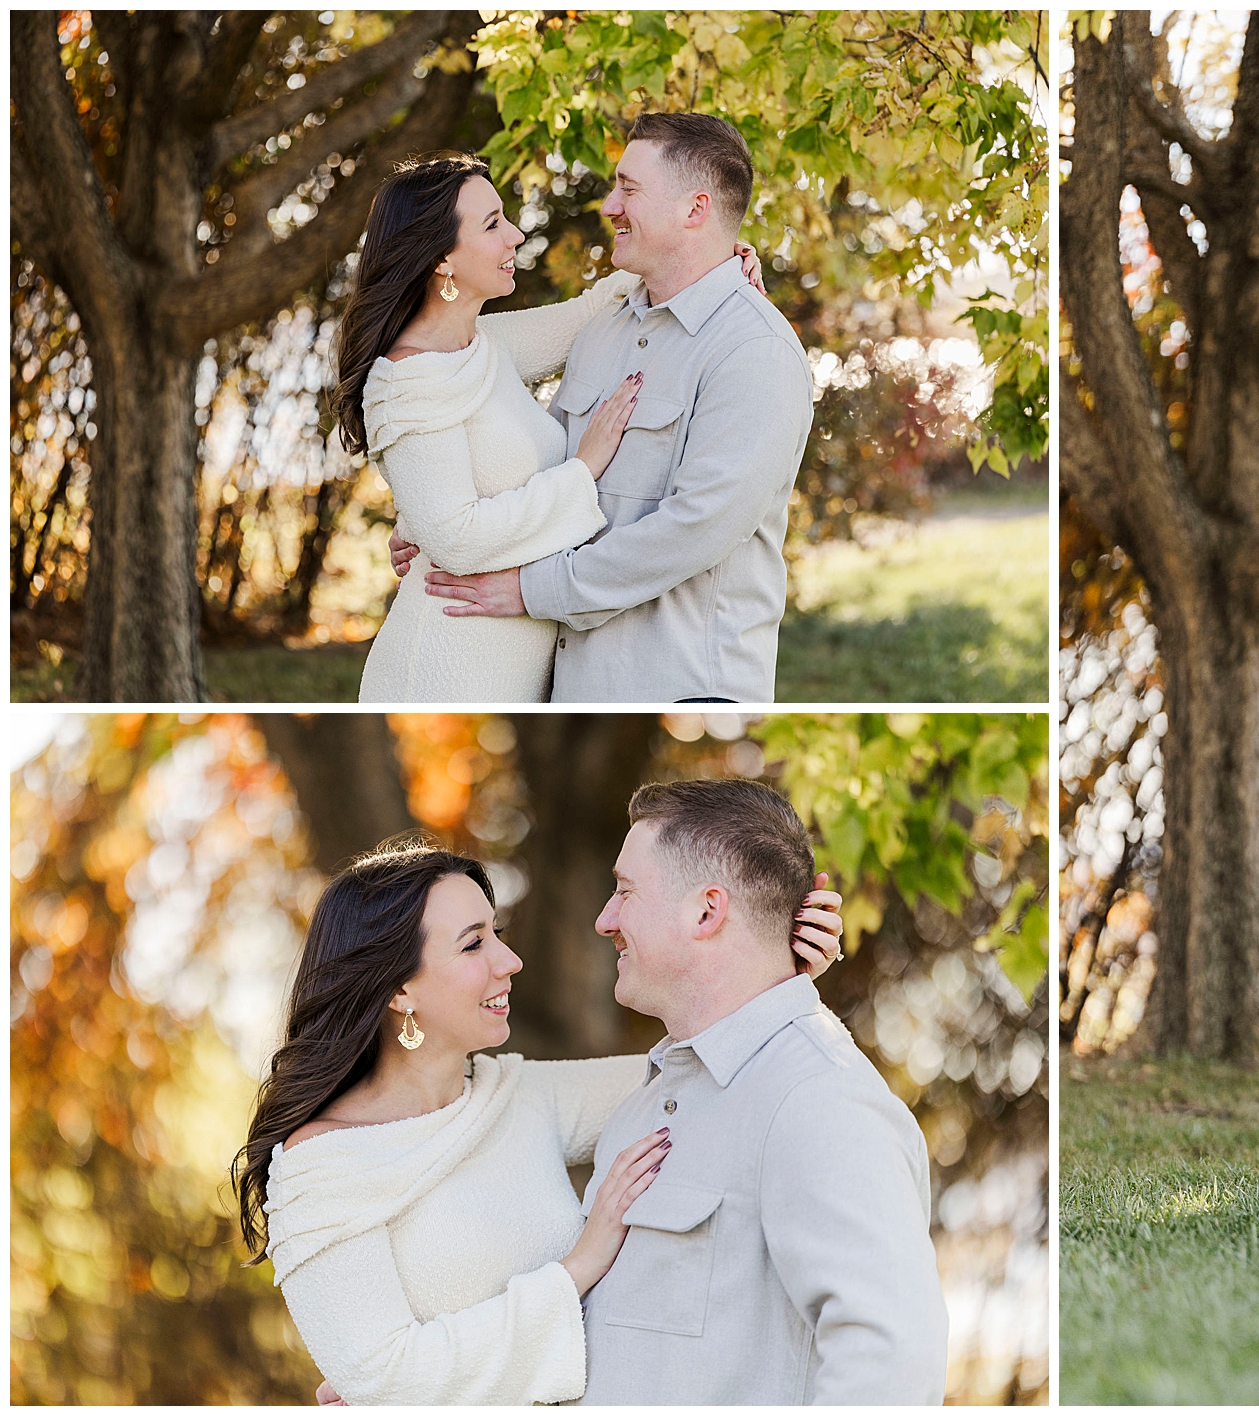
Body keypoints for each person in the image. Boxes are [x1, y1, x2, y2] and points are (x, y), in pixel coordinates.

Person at [232, 841, 843, 1405]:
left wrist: (774, 972)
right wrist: (577, 1266)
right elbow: (384, 1376)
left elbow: (700, 1072)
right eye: (473, 945)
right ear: (397, 990)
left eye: (495, 934)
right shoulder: (320, 1166)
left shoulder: (520, 1096)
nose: (510, 960)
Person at [402, 113, 815, 704]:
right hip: (571, 685)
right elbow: (481, 412)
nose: (609, 204)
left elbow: (697, 527)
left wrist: (533, 589)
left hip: (685, 688)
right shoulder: (603, 327)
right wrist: (430, 514)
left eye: (630, 188)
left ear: (695, 210)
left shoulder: (755, 349)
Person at [576, 780, 948, 1403]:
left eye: (625, 891)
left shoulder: (818, 1099)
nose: (604, 919)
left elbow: (892, 1356)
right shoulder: (643, 1103)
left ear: (706, 911)